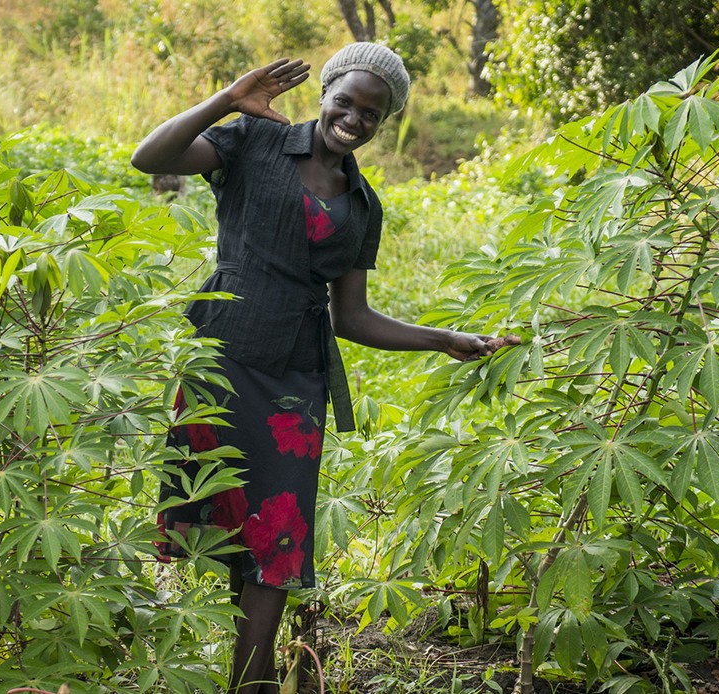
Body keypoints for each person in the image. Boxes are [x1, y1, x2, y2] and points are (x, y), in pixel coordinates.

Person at [132, 42, 508, 694]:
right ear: (325, 94)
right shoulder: (253, 139)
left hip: (294, 382)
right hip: (223, 360)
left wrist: (442, 337)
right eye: (347, 101)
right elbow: (151, 157)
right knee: (226, 525)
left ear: (383, 122)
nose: (355, 118)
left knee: (279, 536)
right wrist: (227, 98)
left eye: (372, 113)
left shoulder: (361, 204)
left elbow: (352, 317)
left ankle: (254, 684)